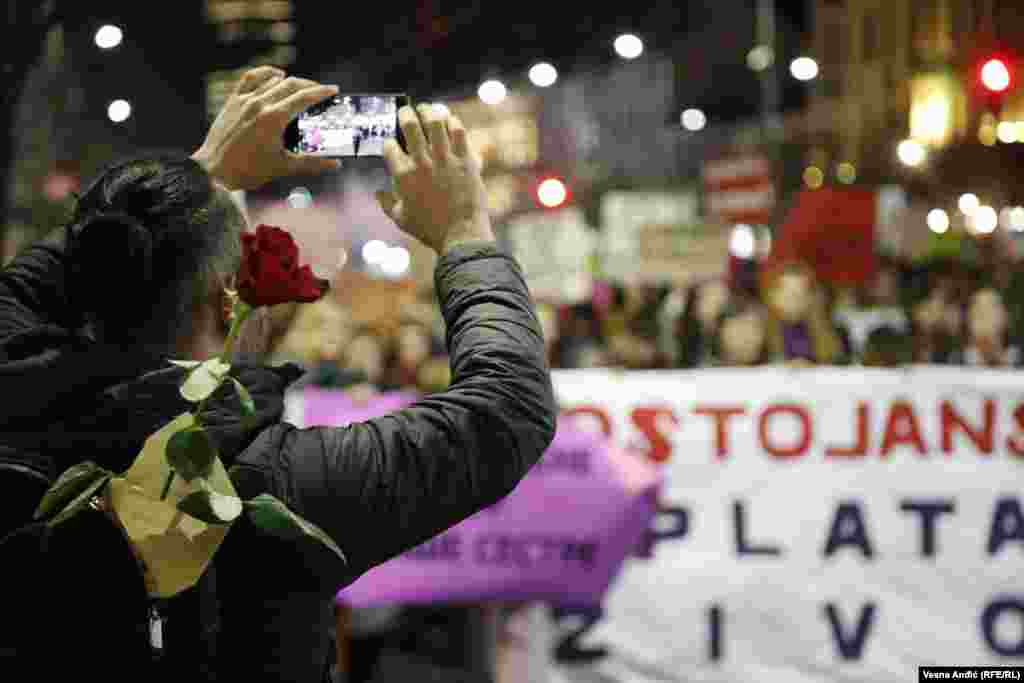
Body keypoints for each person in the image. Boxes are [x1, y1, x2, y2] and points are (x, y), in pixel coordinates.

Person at [0, 66, 556, 682]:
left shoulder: (22, 406)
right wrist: (465, 233)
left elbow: (22, 295)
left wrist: (197, 179)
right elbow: (508, 407)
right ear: (225, 299)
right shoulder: (285, 487)